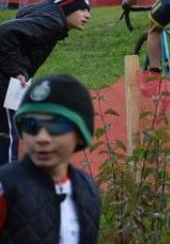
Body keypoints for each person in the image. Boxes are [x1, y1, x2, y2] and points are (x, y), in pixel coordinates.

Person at [0, 73, 101, 243]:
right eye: (31, 125)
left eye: (56, 125)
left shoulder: (88, 190)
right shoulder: (5, 186)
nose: (42, 137)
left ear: (81, 134)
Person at [0, 0, 91, 165]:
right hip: (4, 84)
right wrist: (16, 70)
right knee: (7, 136)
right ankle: (6, 187)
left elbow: (18, 24)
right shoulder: (53, 22)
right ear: (68, 7)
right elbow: (4, 33)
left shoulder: (48, 16)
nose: (87, 15)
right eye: (82, 9)